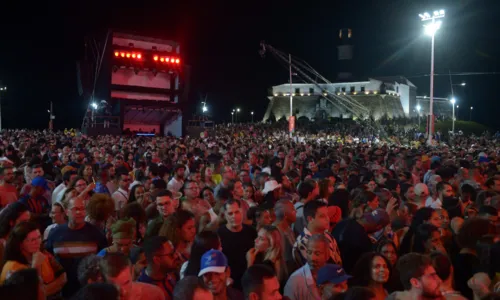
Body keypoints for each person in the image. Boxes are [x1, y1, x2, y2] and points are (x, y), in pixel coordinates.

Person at [45, 197, 108, 297]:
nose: (79, 212)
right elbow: (48, 259)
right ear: (66, 211)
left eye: (82, 208)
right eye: (75, 209)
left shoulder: (96, 234)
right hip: (62, 291)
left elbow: (103, 261)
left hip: (88, 292)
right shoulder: (55, 234)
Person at [0, 221, 67, 297]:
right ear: (20, 244)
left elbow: (63, 276)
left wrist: (46, 290)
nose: (38, 242)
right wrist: (36, 266)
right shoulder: (12, 267)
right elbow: (33, 295)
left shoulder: (43, 253)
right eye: (32, 240)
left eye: (39, 237)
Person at [217, 199, 257, 290]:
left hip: (249, 279)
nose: (234, 216)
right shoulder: (219, 234)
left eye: (237, 212)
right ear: (225, 215)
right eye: (230, 213)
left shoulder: (251, 231)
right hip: (230, 283)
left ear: (242, 211)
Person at [333, 209, 390, 273]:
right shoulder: (364, 241)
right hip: (346, 276)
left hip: (332, 270)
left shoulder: (343, 222)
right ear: (378, 227)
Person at [293, 200, 342, 266]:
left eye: (327, 215)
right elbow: (315, 270)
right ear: (310, 219)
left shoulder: (329, 236)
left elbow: (339, 262)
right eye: (322, 216)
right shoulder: (302, 243)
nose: (327, 219)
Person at [284, 234, 330, 300]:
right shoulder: (294, 281)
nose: (312, 258)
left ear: (327, 255)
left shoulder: (334, 276)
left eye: (317, 253)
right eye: (309, 252)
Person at [274, 199, 297, 273]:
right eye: (293, 210)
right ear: (285, 215)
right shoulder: (276, 232)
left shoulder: (288, 228)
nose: (296, 212)